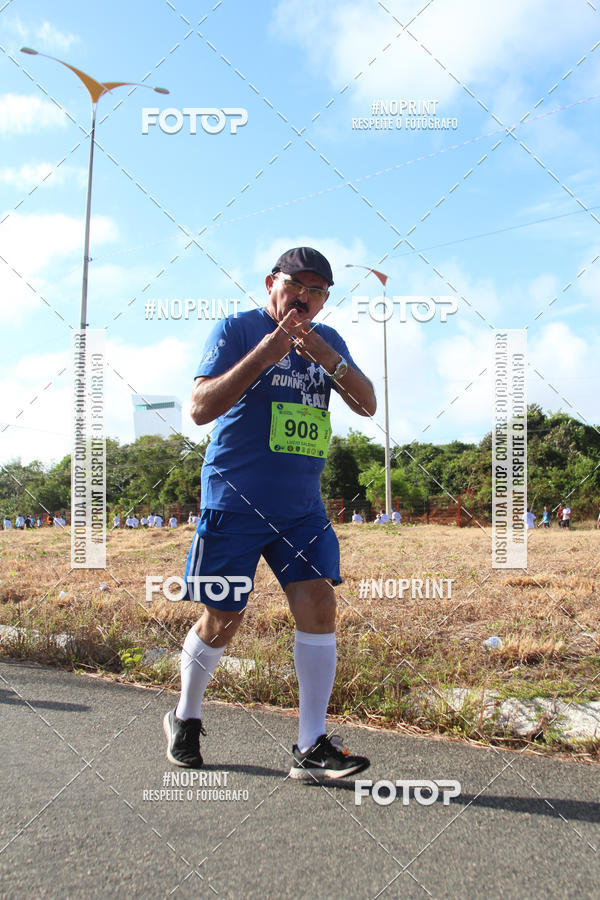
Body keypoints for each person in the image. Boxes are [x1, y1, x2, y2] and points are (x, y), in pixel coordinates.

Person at [164, 247, 376, 780]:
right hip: (234, 500)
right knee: (222, 618)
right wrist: (267, 352)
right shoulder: (237, 328)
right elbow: (199, 408)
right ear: (270, 284)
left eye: (317, 290)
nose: (304, 298)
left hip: (302, 507)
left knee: (319, 606)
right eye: (295, 285)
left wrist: (329, 359)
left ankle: (311, 746)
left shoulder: (331, 343)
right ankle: (185, 716)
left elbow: (368, 403)